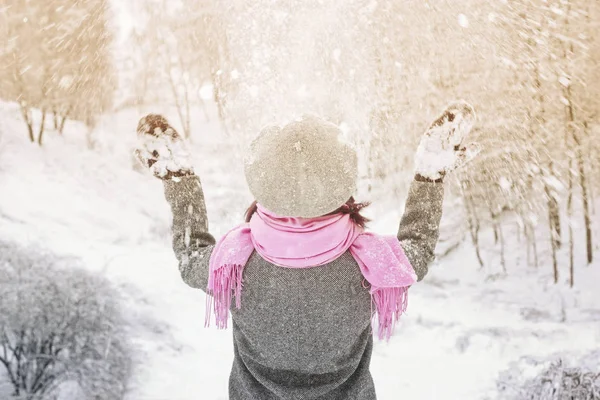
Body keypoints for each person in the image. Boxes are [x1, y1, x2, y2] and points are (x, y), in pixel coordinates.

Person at [134, 102, 478, 400]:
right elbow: (417, 250)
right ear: (343, 186)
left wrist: (179, 181)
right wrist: (429, 178)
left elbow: (191, 255)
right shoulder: (370, 265)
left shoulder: (233, 266)